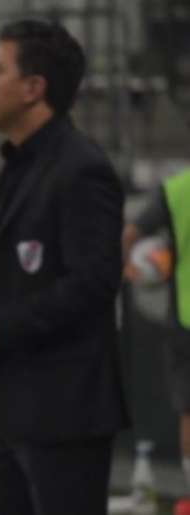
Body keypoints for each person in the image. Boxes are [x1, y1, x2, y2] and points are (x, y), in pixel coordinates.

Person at [0, 19, 128, 515]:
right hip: (3, 408)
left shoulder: (81, 170)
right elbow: (5, 283)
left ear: (34, 88)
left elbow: (94, 283)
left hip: (62, 413)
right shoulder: (18, 162)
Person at [123, 167, 190, 507]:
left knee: (189, 410)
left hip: (185, 316)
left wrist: (129, 267)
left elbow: (130, 234)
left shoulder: (177, 188)